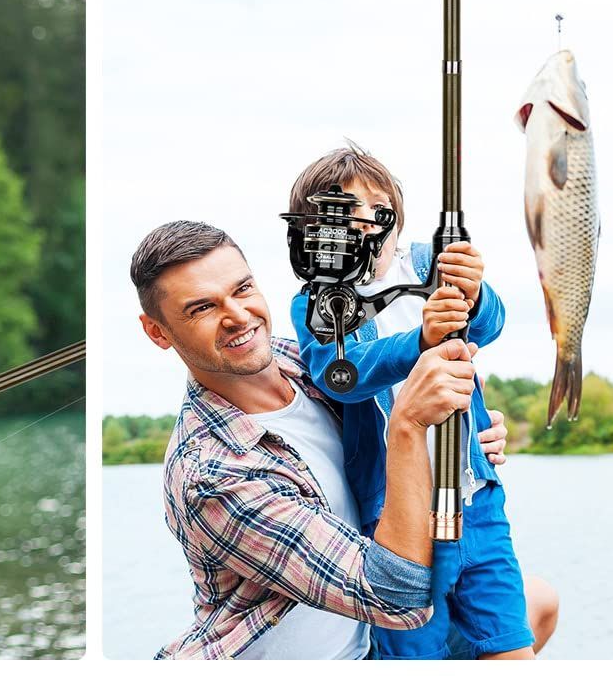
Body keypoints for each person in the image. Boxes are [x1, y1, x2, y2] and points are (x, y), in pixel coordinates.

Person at [131, 220, 557, 660]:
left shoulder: (305, 361)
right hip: (349, 638)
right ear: (158, 331)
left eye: (243, 289)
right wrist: (409, 426)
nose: (237, 316)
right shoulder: (211, 474)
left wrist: (459, 441)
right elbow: (396, 598)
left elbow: (400, 378)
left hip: (373, 638)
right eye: (201, 308)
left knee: (538, 603)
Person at [288, 146, 535, 659]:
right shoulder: (316, 299)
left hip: (476, 498)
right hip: (395, 516)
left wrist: (474, 292)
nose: (365, 223)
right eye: (343, 213)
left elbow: (490, 325)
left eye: (378, 207)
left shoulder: (429, 261)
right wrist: (419, 341)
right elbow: (343, 375)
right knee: (416, 650)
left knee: (509, 643)